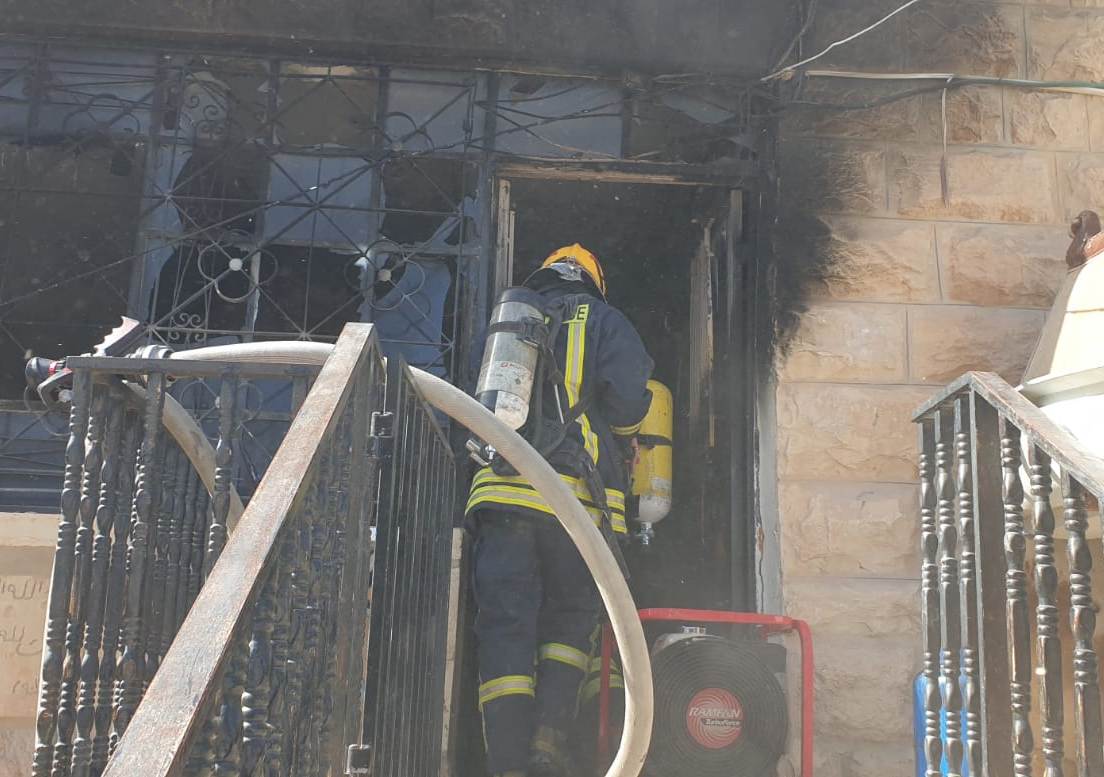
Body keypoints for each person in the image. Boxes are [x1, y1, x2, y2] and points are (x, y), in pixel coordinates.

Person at [466, 244, 654, 777]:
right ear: (593, 282)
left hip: (504, 495)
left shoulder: (509, 323)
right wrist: (621, 435)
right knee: (569, 626)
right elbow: (627, 401)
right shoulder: (607, 320)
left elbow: (474, 399)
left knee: (505, 626)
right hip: (575, 507)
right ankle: (548, 745)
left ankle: (506, 762)